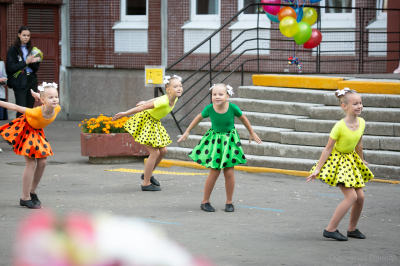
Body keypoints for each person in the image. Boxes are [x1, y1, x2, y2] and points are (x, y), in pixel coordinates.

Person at [178, 84, 262, 212]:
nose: (217, 97)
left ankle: (229, 202)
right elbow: (198, 117)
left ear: (227, 96)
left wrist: (252, 132)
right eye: (214, 94)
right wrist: (187, 131)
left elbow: (243, 118)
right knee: (214, 172)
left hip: (229, 141)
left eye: (220, 94)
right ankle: (205, 201)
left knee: (229, 172)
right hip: (215, 141)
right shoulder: (209, 108)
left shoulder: (233, 108)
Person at [306, 88, 374, 241]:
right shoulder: (339, 126)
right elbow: (328, 148)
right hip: (338, 162)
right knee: (351, 197)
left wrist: (361, 160)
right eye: (355, 103)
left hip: (351, 160)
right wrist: (317, 169)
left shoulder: (362, 122)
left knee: (360, 197)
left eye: (360, 103)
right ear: (345, 107)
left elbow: (359, 144)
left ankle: (352, 229)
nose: (359, 106)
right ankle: (330, 229)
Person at [112, 75, 183, 191]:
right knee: (154, 153)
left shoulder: (173, 97)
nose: (179, 88)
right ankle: (145, 183)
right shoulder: (164, 101)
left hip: (154, 122)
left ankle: (147, 174)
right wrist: (124, 114)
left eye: (180, 86)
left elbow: (155, 99)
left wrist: (146, 101)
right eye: (175, 87)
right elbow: (143, 107)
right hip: (146, 121)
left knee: (163, 150)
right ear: (168, 89)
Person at [0, 82, 60, 209]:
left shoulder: (57, 108)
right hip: (25, 130)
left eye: (56, 96)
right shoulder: (36, 112)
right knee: (31, 163)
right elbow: (15, 107)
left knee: (43, 162)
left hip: (37, 132)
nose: (54, 99)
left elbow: (45, 97)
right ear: (43, 100)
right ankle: (24, 197)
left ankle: (33, 192)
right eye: (51, 97)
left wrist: (37, 95)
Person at [6, 26, 40, 118]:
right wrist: (26, 62)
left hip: (31, 80)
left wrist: (33, 62)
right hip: (20, 81)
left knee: (30, 109)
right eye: (24, 35)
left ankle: (27, 130)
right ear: (19, 35)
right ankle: (19, 131)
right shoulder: (13, 50)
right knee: (21, 109)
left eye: (28, 35)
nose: (26, 37)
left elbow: (36, 68)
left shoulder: (32, 49)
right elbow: (10, 67)